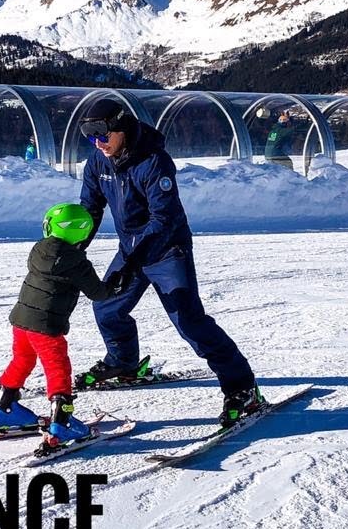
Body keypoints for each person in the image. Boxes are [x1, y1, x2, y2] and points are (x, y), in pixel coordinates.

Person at [76, 98, 262, 428]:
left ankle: (242, 387)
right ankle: (124, 363)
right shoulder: (98, 162)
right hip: (131, 248)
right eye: (89, 136)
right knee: (106, 308)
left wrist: (132, 260)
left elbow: (163, 219)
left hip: (166, 250)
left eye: (102, 134)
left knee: (190, 322)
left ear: (120, 127)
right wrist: (73, 247)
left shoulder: (154, 161)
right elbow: (90, 210)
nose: (98, 143)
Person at [0, 202, 119, 452]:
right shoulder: (77, 262)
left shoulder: (39, 250)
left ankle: (4, 408)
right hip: (47, 326)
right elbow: (98, 293)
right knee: (57, 368)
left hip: (21, 320)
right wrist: (114, 284)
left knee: (21, 360)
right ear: (82, 232)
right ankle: (63, 421)